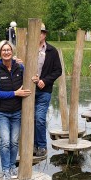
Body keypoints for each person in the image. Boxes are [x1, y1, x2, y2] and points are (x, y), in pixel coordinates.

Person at [0, 41, 31, 180]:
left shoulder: (19, 67)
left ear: (12, 52)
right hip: (1, 112)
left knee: (14, 142)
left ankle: (13, 167)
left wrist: (35, 78)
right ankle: (6, 171)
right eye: (3, 50)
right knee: (5, 142)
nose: (6, 52)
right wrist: (15, 93)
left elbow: (30, 78)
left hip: (17, 112)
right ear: (0, 53)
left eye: (8, 50)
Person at [31, 23, 62, 157]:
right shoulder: (28, 49)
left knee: (40, 118)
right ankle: (32, 145)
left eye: (41, 32)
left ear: (44, 34)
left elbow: (58, 71)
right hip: (29, 90)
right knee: (29, 119)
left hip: (44, 90)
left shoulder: (52, 51)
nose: (39, 35)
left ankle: (42, 146)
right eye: (36, 32)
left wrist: (45, 80)